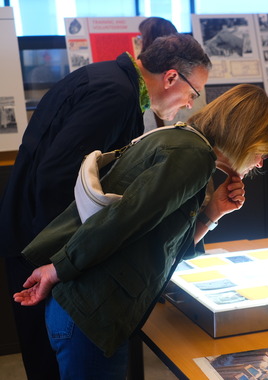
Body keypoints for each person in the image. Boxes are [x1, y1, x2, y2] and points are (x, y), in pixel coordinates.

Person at [13, 84, 268, 379]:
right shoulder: (192, 156)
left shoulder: (186, 145)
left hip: (88, 309)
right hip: (89, 312)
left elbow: (161, 242)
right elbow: (121, 222)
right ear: (246, 136)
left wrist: (213, 213)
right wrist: (56, 270)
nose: (259, 162)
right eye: (264, 152)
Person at [0, 33, 211, 379]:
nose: (189, 103)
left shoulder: (108, 79)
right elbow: (56, 177)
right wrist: (64, 261)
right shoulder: (116, 94)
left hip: (31, 233)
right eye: (193, 92)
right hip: (36, 243)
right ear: (172, 77)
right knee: (49, 364)